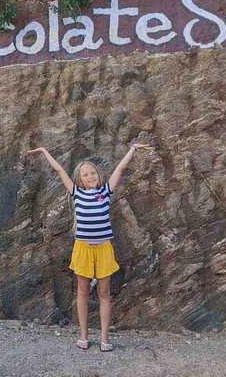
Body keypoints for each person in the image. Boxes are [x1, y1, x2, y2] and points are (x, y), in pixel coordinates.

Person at [28, 143, 150, 352]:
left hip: (103, 248)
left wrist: (132, 149)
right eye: (86, 175)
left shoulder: (106, 191)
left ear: (98, 175)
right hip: (83, 248)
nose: (91, 176)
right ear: (79, 180)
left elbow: (119, 169)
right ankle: (83, 335)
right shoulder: (76, 193)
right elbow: (59, 170)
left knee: (104, 292)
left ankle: (104, 337)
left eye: (93, 173)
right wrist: (44, 151)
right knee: (83, 291)